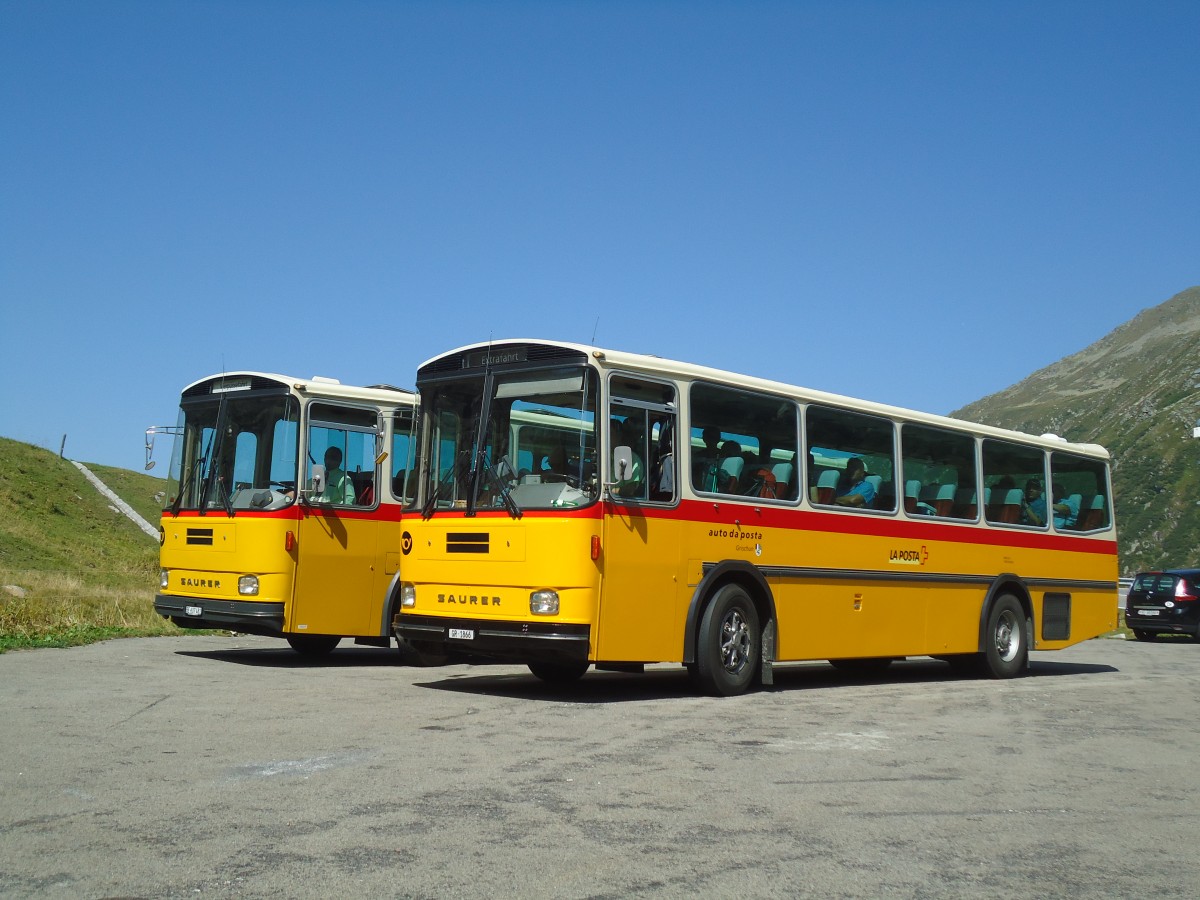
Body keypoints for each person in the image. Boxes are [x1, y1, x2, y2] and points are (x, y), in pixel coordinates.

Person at [611, 419, 645, 498]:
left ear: (619, 436)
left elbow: (629, 489)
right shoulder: (603, 456)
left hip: (618, 502)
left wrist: (608, 490)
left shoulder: (633, 459)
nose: (605, 437)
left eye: (611, 433)